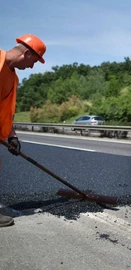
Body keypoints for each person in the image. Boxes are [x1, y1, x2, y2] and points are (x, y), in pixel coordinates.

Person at [0, 34, 46, 227]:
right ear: (26, 53)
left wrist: (12, 135)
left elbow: (6, 110)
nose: (32, 67)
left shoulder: (13, 78)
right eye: (34, 61)